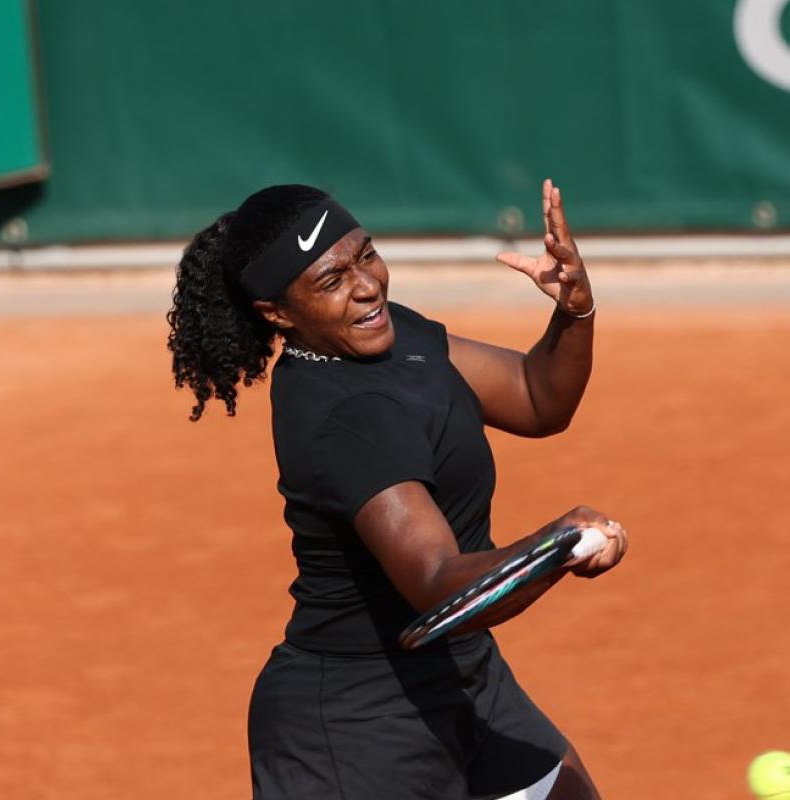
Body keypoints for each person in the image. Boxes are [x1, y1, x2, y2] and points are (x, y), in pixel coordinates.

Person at [167, 180, 628, 800]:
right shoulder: (343, 420)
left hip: (465, 678)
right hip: (358, 731)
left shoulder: (396, 337)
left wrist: (574, 310)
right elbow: (435, 582)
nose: (366, 286)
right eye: (331, 281)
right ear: (278, 313)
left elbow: (537, 395)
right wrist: (554, 545)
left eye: (366, 255)